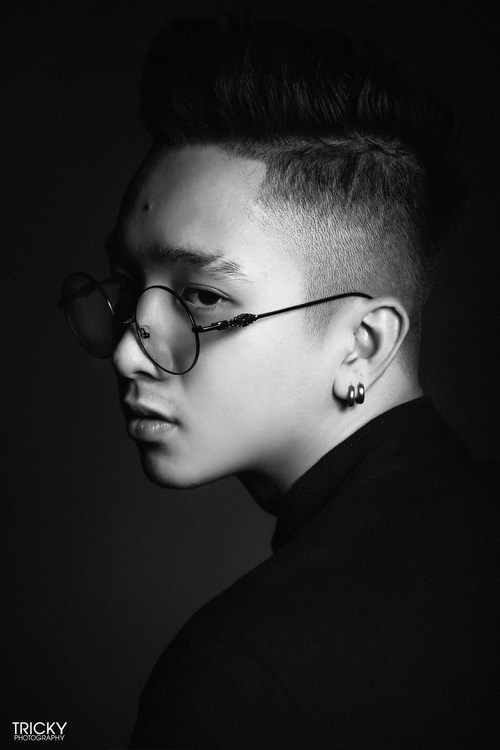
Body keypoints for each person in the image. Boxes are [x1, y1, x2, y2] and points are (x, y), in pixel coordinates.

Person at [59, 15, 499, 749]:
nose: (130, 353)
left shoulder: (239, 681)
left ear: (362, 345)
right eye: (129, 285)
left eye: (203, 298)